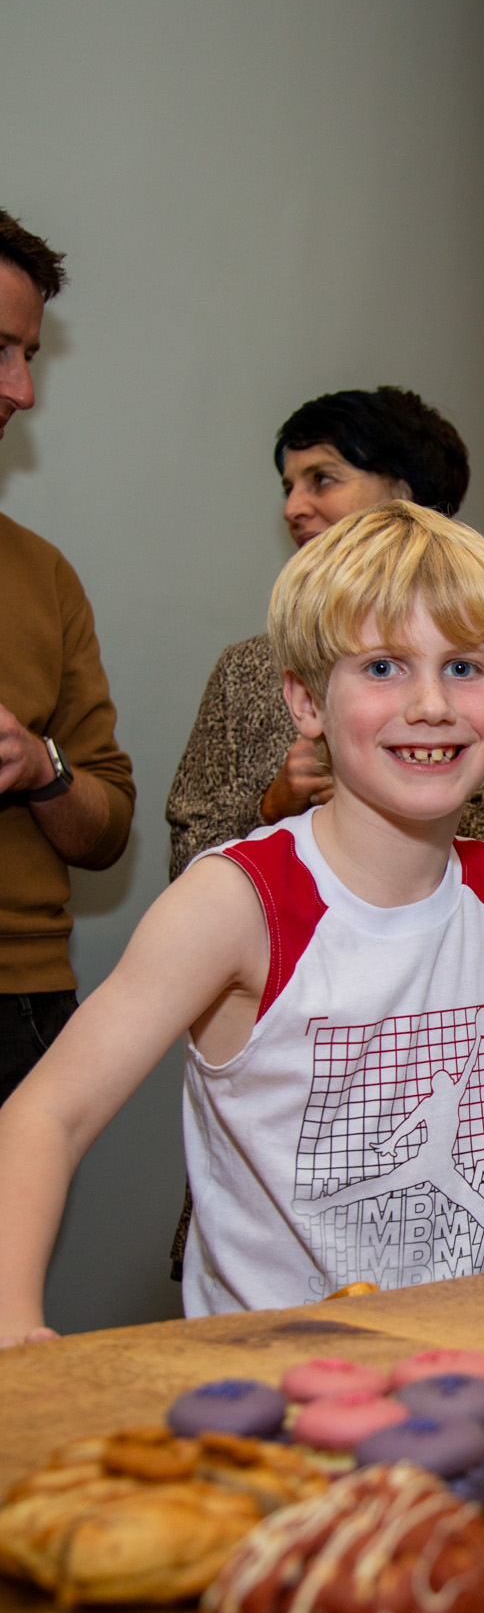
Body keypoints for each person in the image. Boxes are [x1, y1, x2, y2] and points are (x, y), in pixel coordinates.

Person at [0, 502, 484, 1339]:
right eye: (382, 667)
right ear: (305, 701)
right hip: (264, 1391)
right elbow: (47, 1113)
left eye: (465, 668)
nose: (431, 704)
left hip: (461, 1362)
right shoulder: (236, 902)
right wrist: (12, 1321)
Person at [165, 386, 484, 1261]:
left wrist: (425, 831)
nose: (296, 504)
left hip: (457, 1097)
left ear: (402, 491)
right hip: (297, 1094)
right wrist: (278, 809)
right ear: (309, 692)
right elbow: (189, 847)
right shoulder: (249, 670)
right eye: (287, 484)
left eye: (322, 478)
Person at [0, 209, 135, 1119]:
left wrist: (41, 767)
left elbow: (109, 830)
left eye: (29, 356)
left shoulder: (45, 576)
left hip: (20, 1004)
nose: (21, 391)